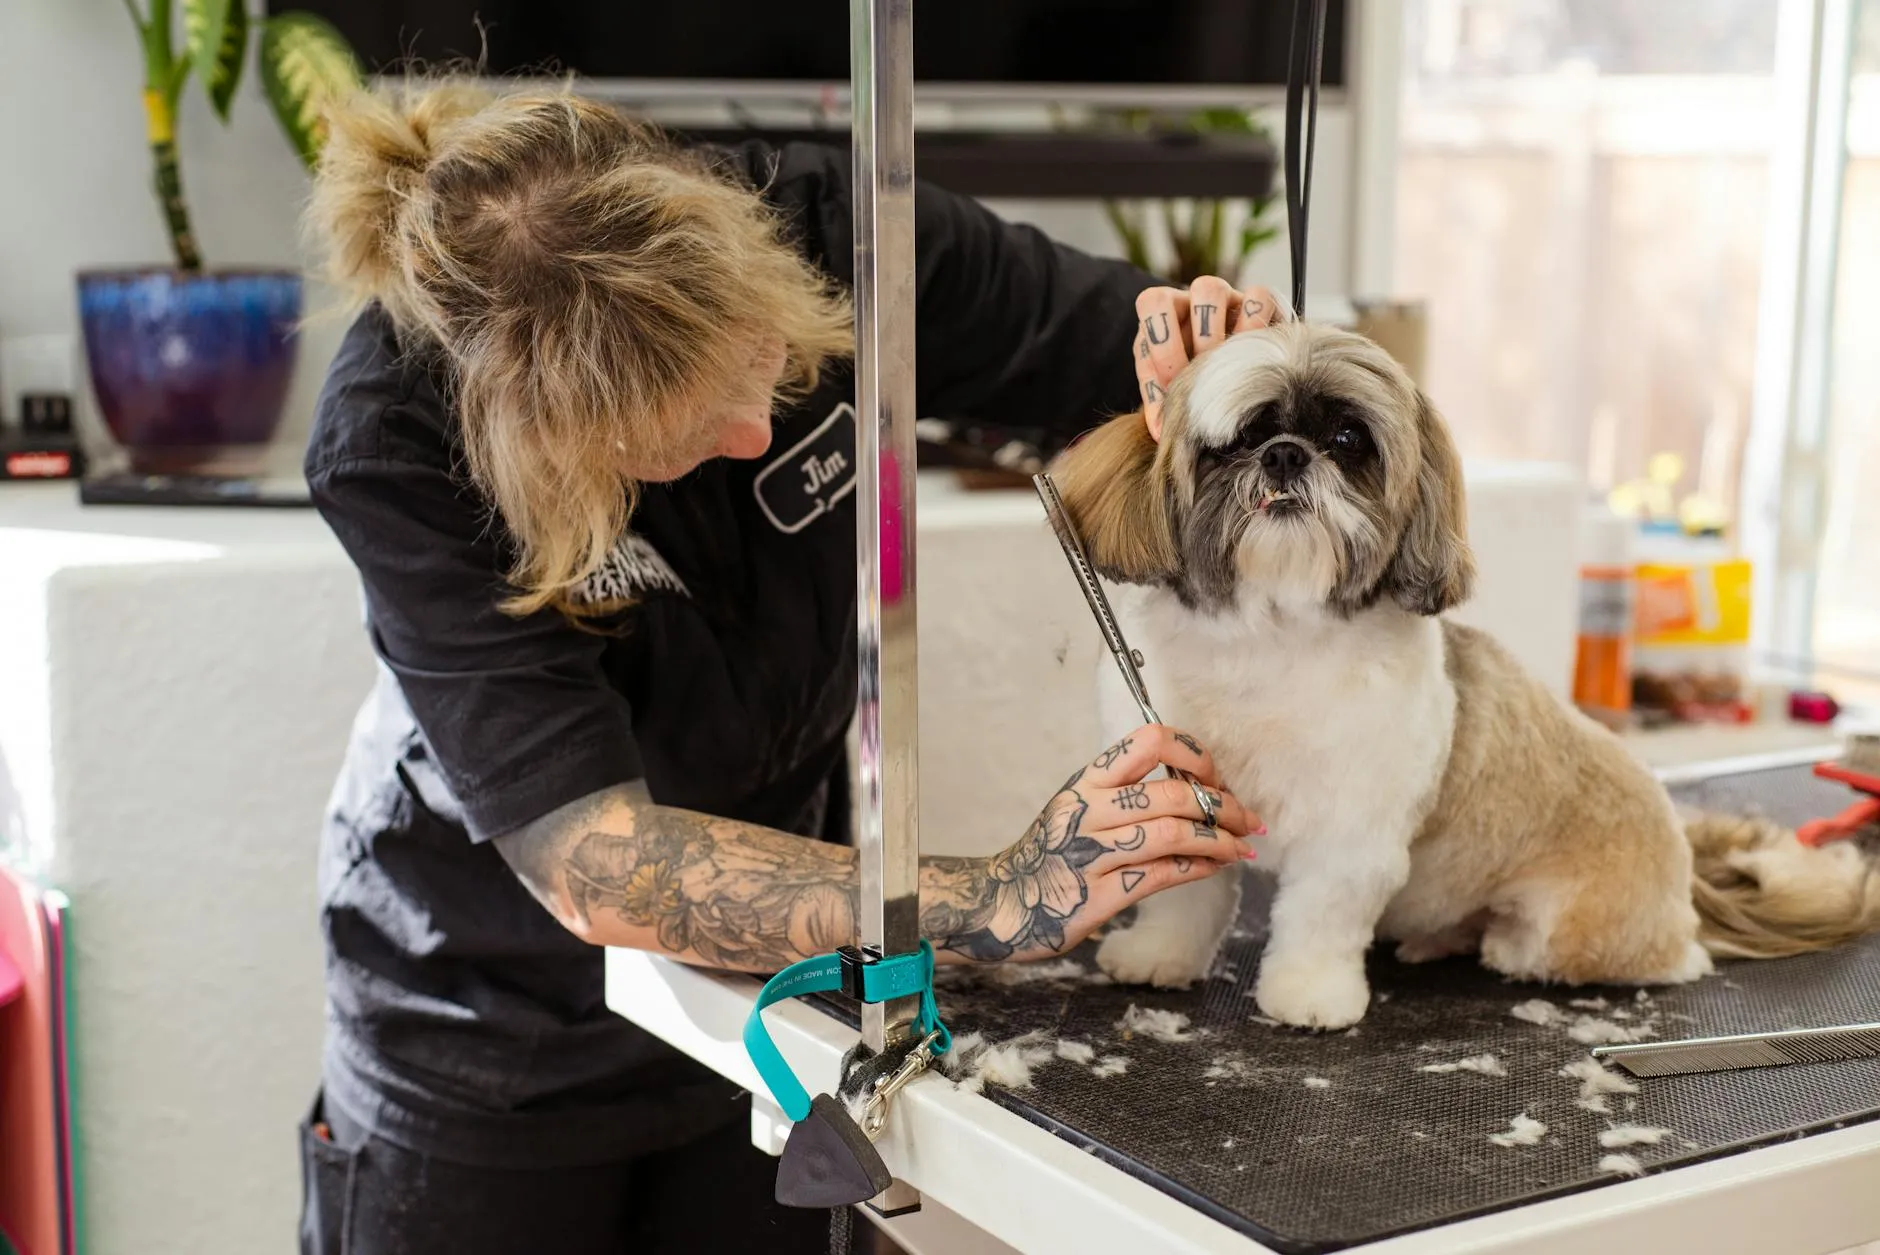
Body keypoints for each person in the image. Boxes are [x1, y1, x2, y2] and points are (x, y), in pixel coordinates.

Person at [297, 76, 1278, 1254]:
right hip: (485, 1036)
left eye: (759, 360)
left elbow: (1123, 353)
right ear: (534, 438)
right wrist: (996, 897)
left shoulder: (843, 226)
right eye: (673, 431)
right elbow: (597, 863)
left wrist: (1219, 358)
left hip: (775, 1006)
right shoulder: (398, 438)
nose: (756, 432)